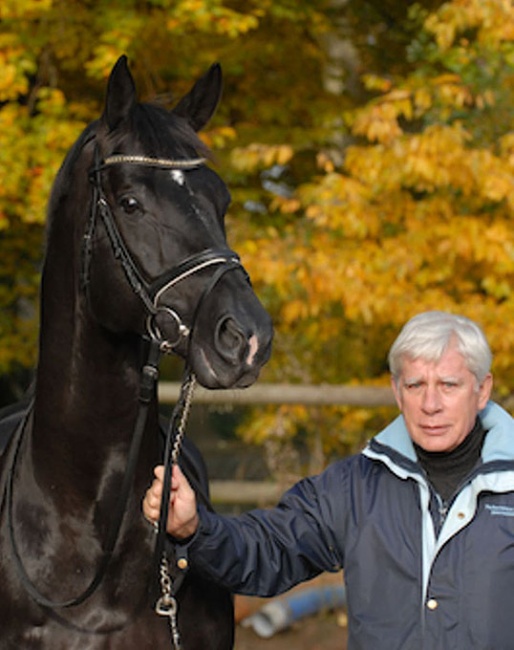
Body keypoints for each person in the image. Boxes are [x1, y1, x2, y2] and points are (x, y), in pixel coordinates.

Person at [143, 310, 514, 649]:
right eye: (416, 385)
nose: (430, 404)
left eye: (449, 385)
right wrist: (194, 528)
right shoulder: (355, 487)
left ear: (482, 390)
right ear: (397, 392)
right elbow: (269, 548)